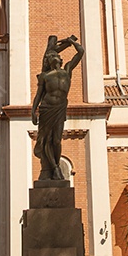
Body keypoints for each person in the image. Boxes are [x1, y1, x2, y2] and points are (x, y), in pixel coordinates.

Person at [32, 34, 84, 181]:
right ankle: (55, 168)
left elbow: (80, 52)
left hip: (60, 108)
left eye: (55, 55)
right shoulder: (44, 76)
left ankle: (55, 167)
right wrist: (33, 111)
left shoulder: (67, 70)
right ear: (48, 61)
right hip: (47, 108)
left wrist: (71, 41)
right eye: (50, 56)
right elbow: (38, 95)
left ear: (60, 60)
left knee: (56, 140)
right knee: (46, 140)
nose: (53, 57)